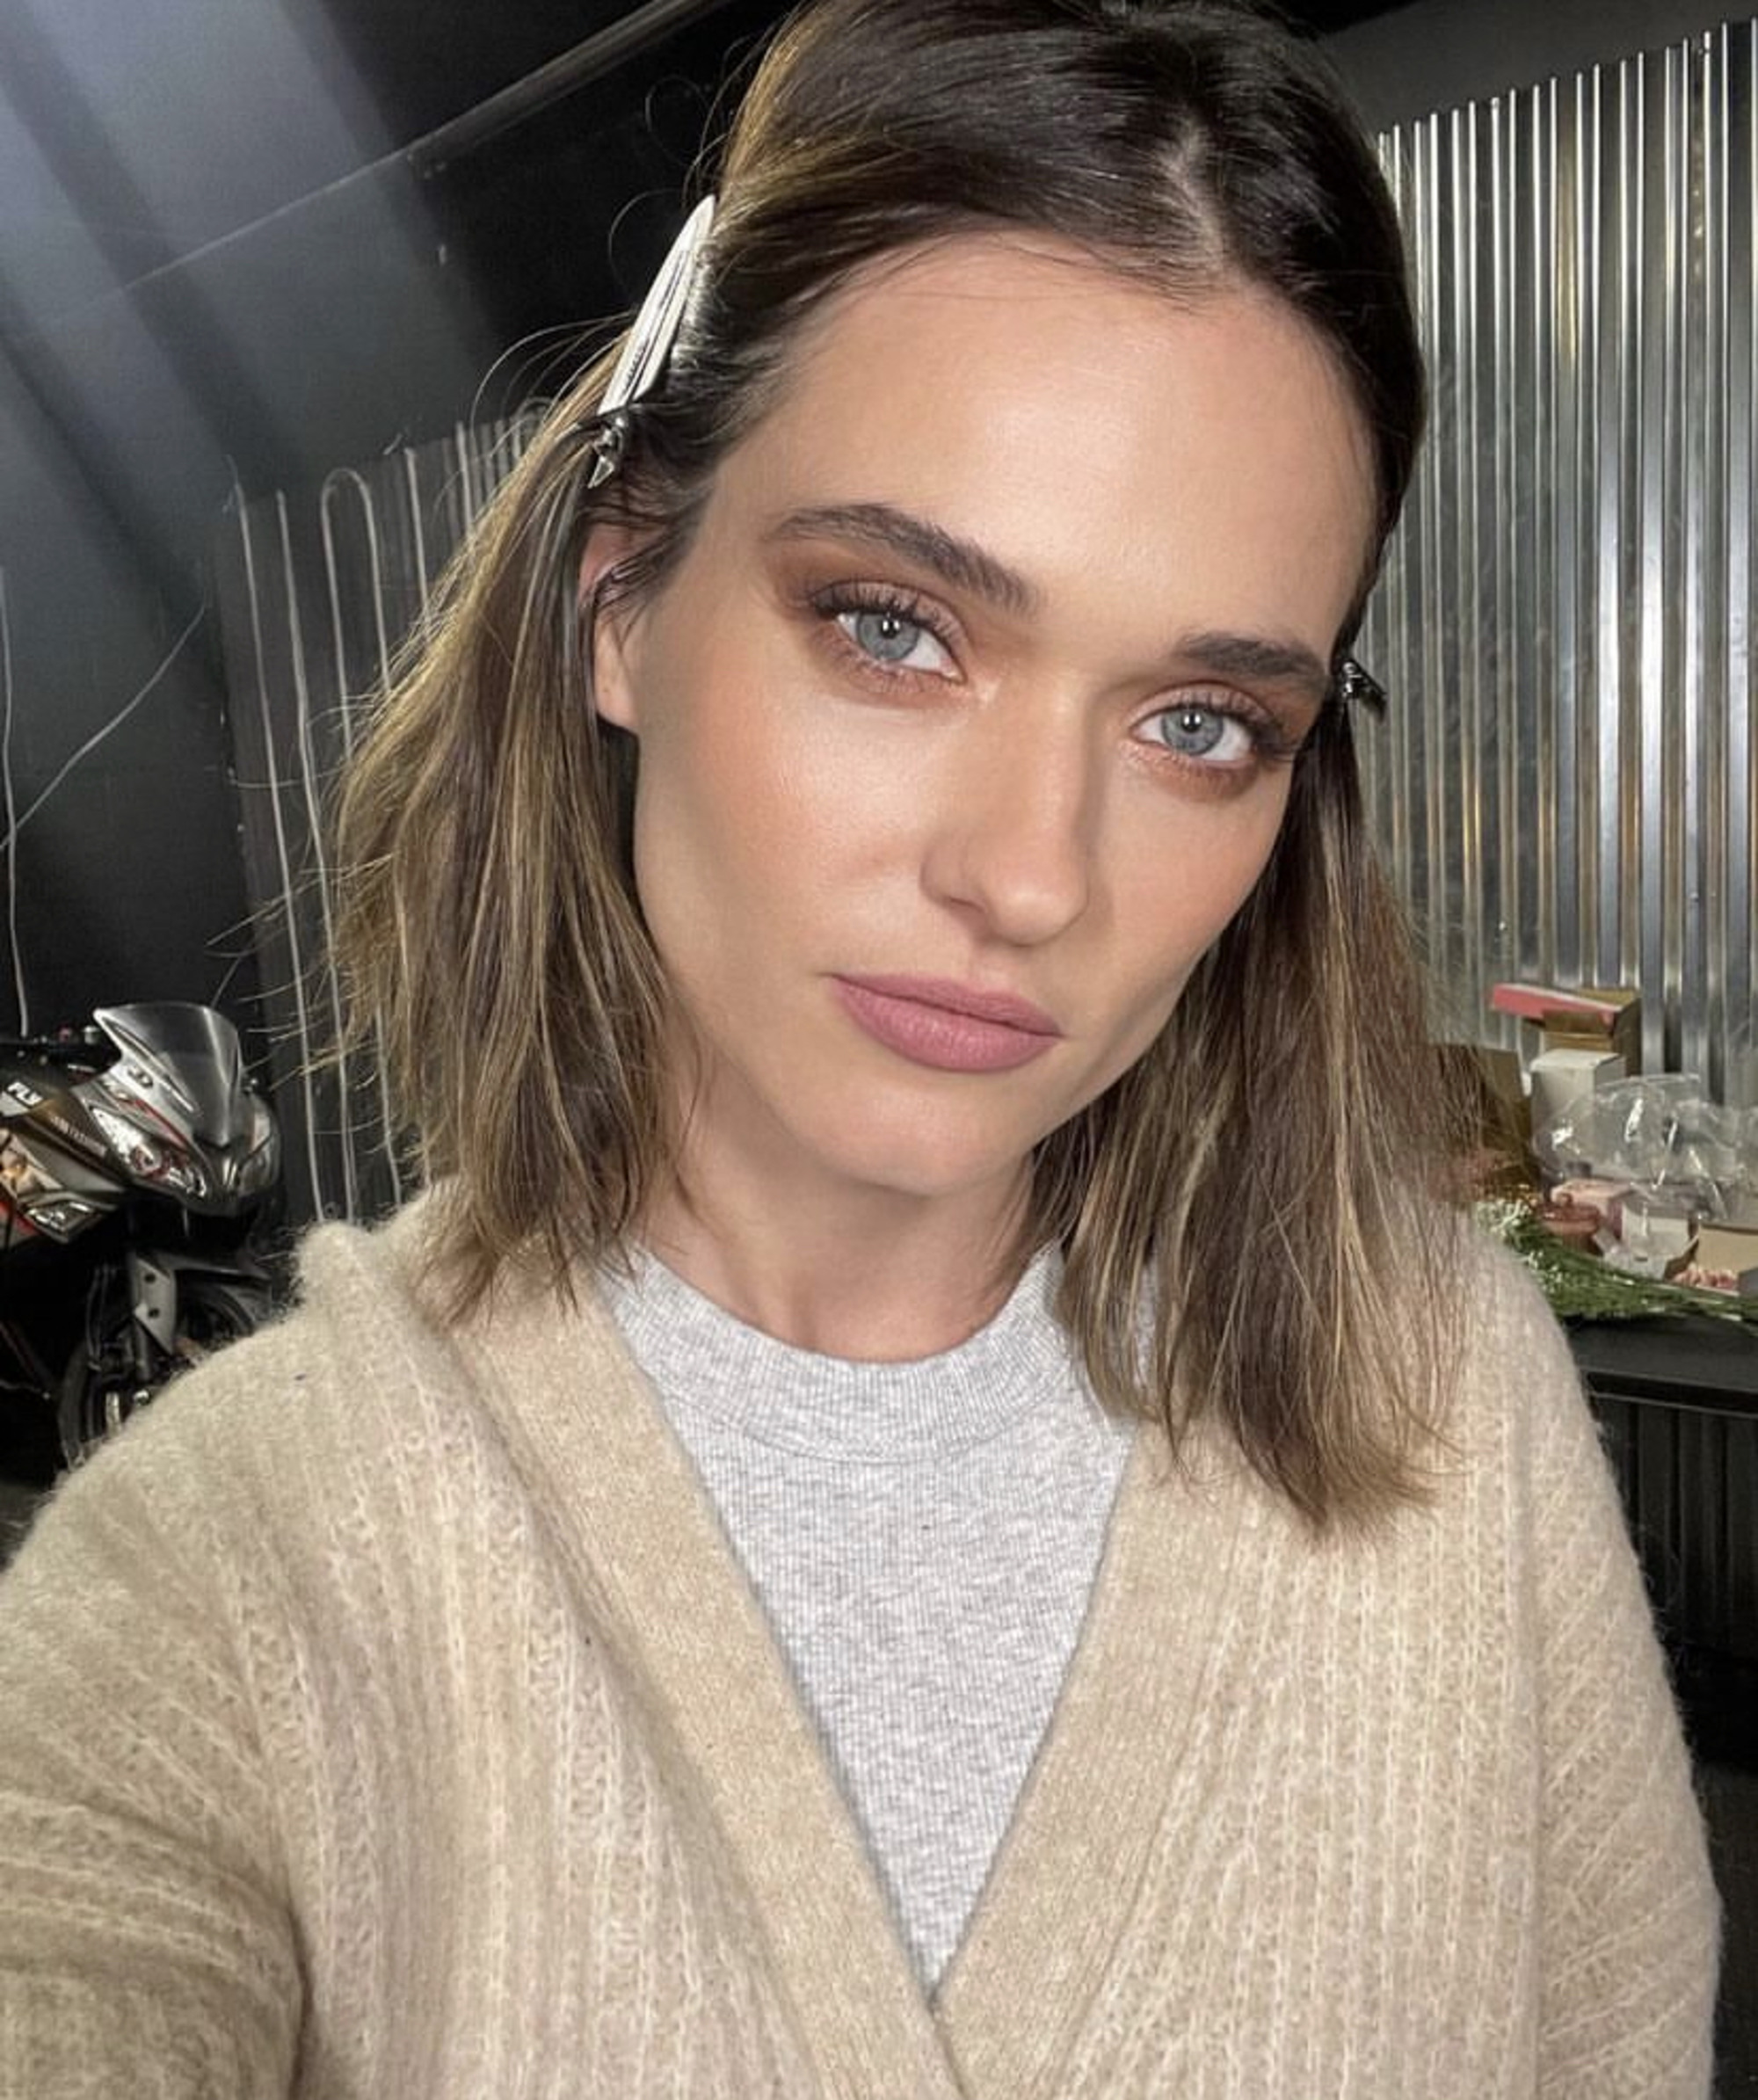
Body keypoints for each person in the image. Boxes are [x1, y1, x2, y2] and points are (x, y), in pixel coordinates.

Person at [0, 0, 1718, 2092]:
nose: (1029, 876)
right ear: (622, 599)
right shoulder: (206, 1590)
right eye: (893, 627)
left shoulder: (1444, 1405)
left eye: (1200, 724)